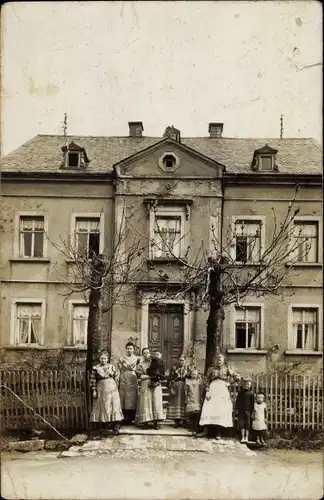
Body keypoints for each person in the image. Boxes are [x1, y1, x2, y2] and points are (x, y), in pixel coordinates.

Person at [198, 352, 240, 440]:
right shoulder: (211, 369)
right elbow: (206, 380)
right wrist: (207, 391)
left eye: (220, 359)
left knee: (220, 410)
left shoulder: (227, 368)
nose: (219, 361)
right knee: (208, 409)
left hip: (222, 391)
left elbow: (237, 377)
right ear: (215, 360)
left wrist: (230, 383)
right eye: (217, 359)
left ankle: (219, 432)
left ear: (223, 360)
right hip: (212, 390)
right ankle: (205, 431)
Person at [90, 350, 124, 437]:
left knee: (113, 405)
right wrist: (94, 390)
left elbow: (116, 376)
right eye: (101, 358)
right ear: (99, 359)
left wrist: (116, 385)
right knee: (104, 406)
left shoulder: (112, 366)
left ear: (107, 359)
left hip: (112, 388)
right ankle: (104, 426)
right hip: (101, 388)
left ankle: (114, 425)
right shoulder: (96, 368)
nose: (103, 360)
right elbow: (93, 380)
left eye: (105, 359)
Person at [135, 347, 165, 429]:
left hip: (156, 384)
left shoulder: (155, 362)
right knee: (145, 402)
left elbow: (160, 373)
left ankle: (156, 422)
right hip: (145, 384)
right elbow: (140, 376)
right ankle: (145, 422)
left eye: (147, 352)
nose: (146, 354)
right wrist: (151, 376)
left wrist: (157, 378)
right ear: (142, 354)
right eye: (144, 353)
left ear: (150, 353)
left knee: (155, 401)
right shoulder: (140, 365)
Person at [118, 342, 139, 424]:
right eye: (128, 348)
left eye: (131, 348)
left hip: (133, 378)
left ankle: (131, 417)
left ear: (133, 349)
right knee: (123, 396)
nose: (129, 350)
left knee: (132, 397)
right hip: (124, 377)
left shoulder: (136, 358)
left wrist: (126, 365)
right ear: (126, 349)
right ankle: (124, 417)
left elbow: (134, 368)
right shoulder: (122, 358)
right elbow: (120, 368)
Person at [167, 354, 190, 427]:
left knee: (183, 403)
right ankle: (176, 421)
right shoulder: (174, 368)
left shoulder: (188, 369)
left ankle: (183, 420)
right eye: (180, 360)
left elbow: (191, 379)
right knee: (176, 403)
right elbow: (170, 379)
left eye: (183, 360)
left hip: (184, 387)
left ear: (185, 361)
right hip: (176, 387)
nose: (181, 362)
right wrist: (171, 389)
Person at [235, 377, 254, 443]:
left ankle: (246, 437)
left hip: (248, 411)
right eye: (246, 384)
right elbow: (237, 401)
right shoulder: (240, 393)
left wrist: (252, 412)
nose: (247, 385)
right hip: (241, 411)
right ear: (243, 385)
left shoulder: (251, 393)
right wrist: (237, 409)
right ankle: (242, 437)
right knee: (241, 424)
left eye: (248, 384)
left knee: (248, 424)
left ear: (250, 385)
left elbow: (252, 403)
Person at [185, 368, 203, 436]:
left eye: (195, 374)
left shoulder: (199, 381)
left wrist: (201, 398)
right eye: (192, 374)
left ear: (197, 375)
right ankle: (192, 428)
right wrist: (186, 398)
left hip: (197, 399)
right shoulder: (188, 381)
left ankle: (196, 428)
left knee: (197, 415)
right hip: (191, 399)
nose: (194, 375)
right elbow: (186, 391)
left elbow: (201, 390)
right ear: (190, 374)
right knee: (191, 415)